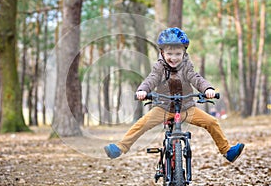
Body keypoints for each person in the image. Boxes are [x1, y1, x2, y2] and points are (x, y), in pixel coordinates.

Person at [104, 27, 244, 162]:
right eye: (169, 54)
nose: (174, 58)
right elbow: (151, 79)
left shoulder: (187, 66)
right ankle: (120, 147)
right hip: (163, 108)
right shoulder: (159, 67)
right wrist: (143, 90)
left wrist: (207, 89)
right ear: (162, 53)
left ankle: (226, 151)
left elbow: (196, 78)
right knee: (142, 124)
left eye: (178, 54)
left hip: (186, 108)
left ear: (184, 53)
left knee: (211, 122)